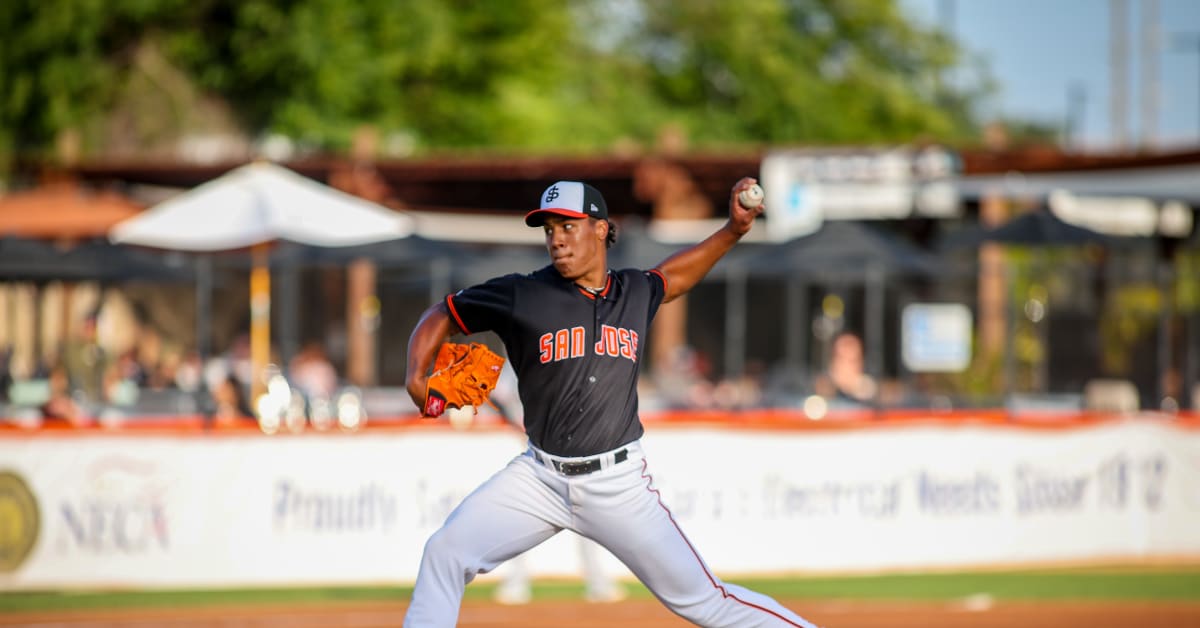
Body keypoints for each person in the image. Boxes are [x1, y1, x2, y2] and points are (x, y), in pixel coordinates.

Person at [403, 179, 817, 627]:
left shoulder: (635, 292)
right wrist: (416, 375)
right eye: (548, 229)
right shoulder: (522, 294)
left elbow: (679, 273)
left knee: (703, 601)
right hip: (539, 478)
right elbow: (441, 313)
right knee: (444, 553)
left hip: (617, 484)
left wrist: (733, 230)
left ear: (601, 229)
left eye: (568, 226)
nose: (556, 238)